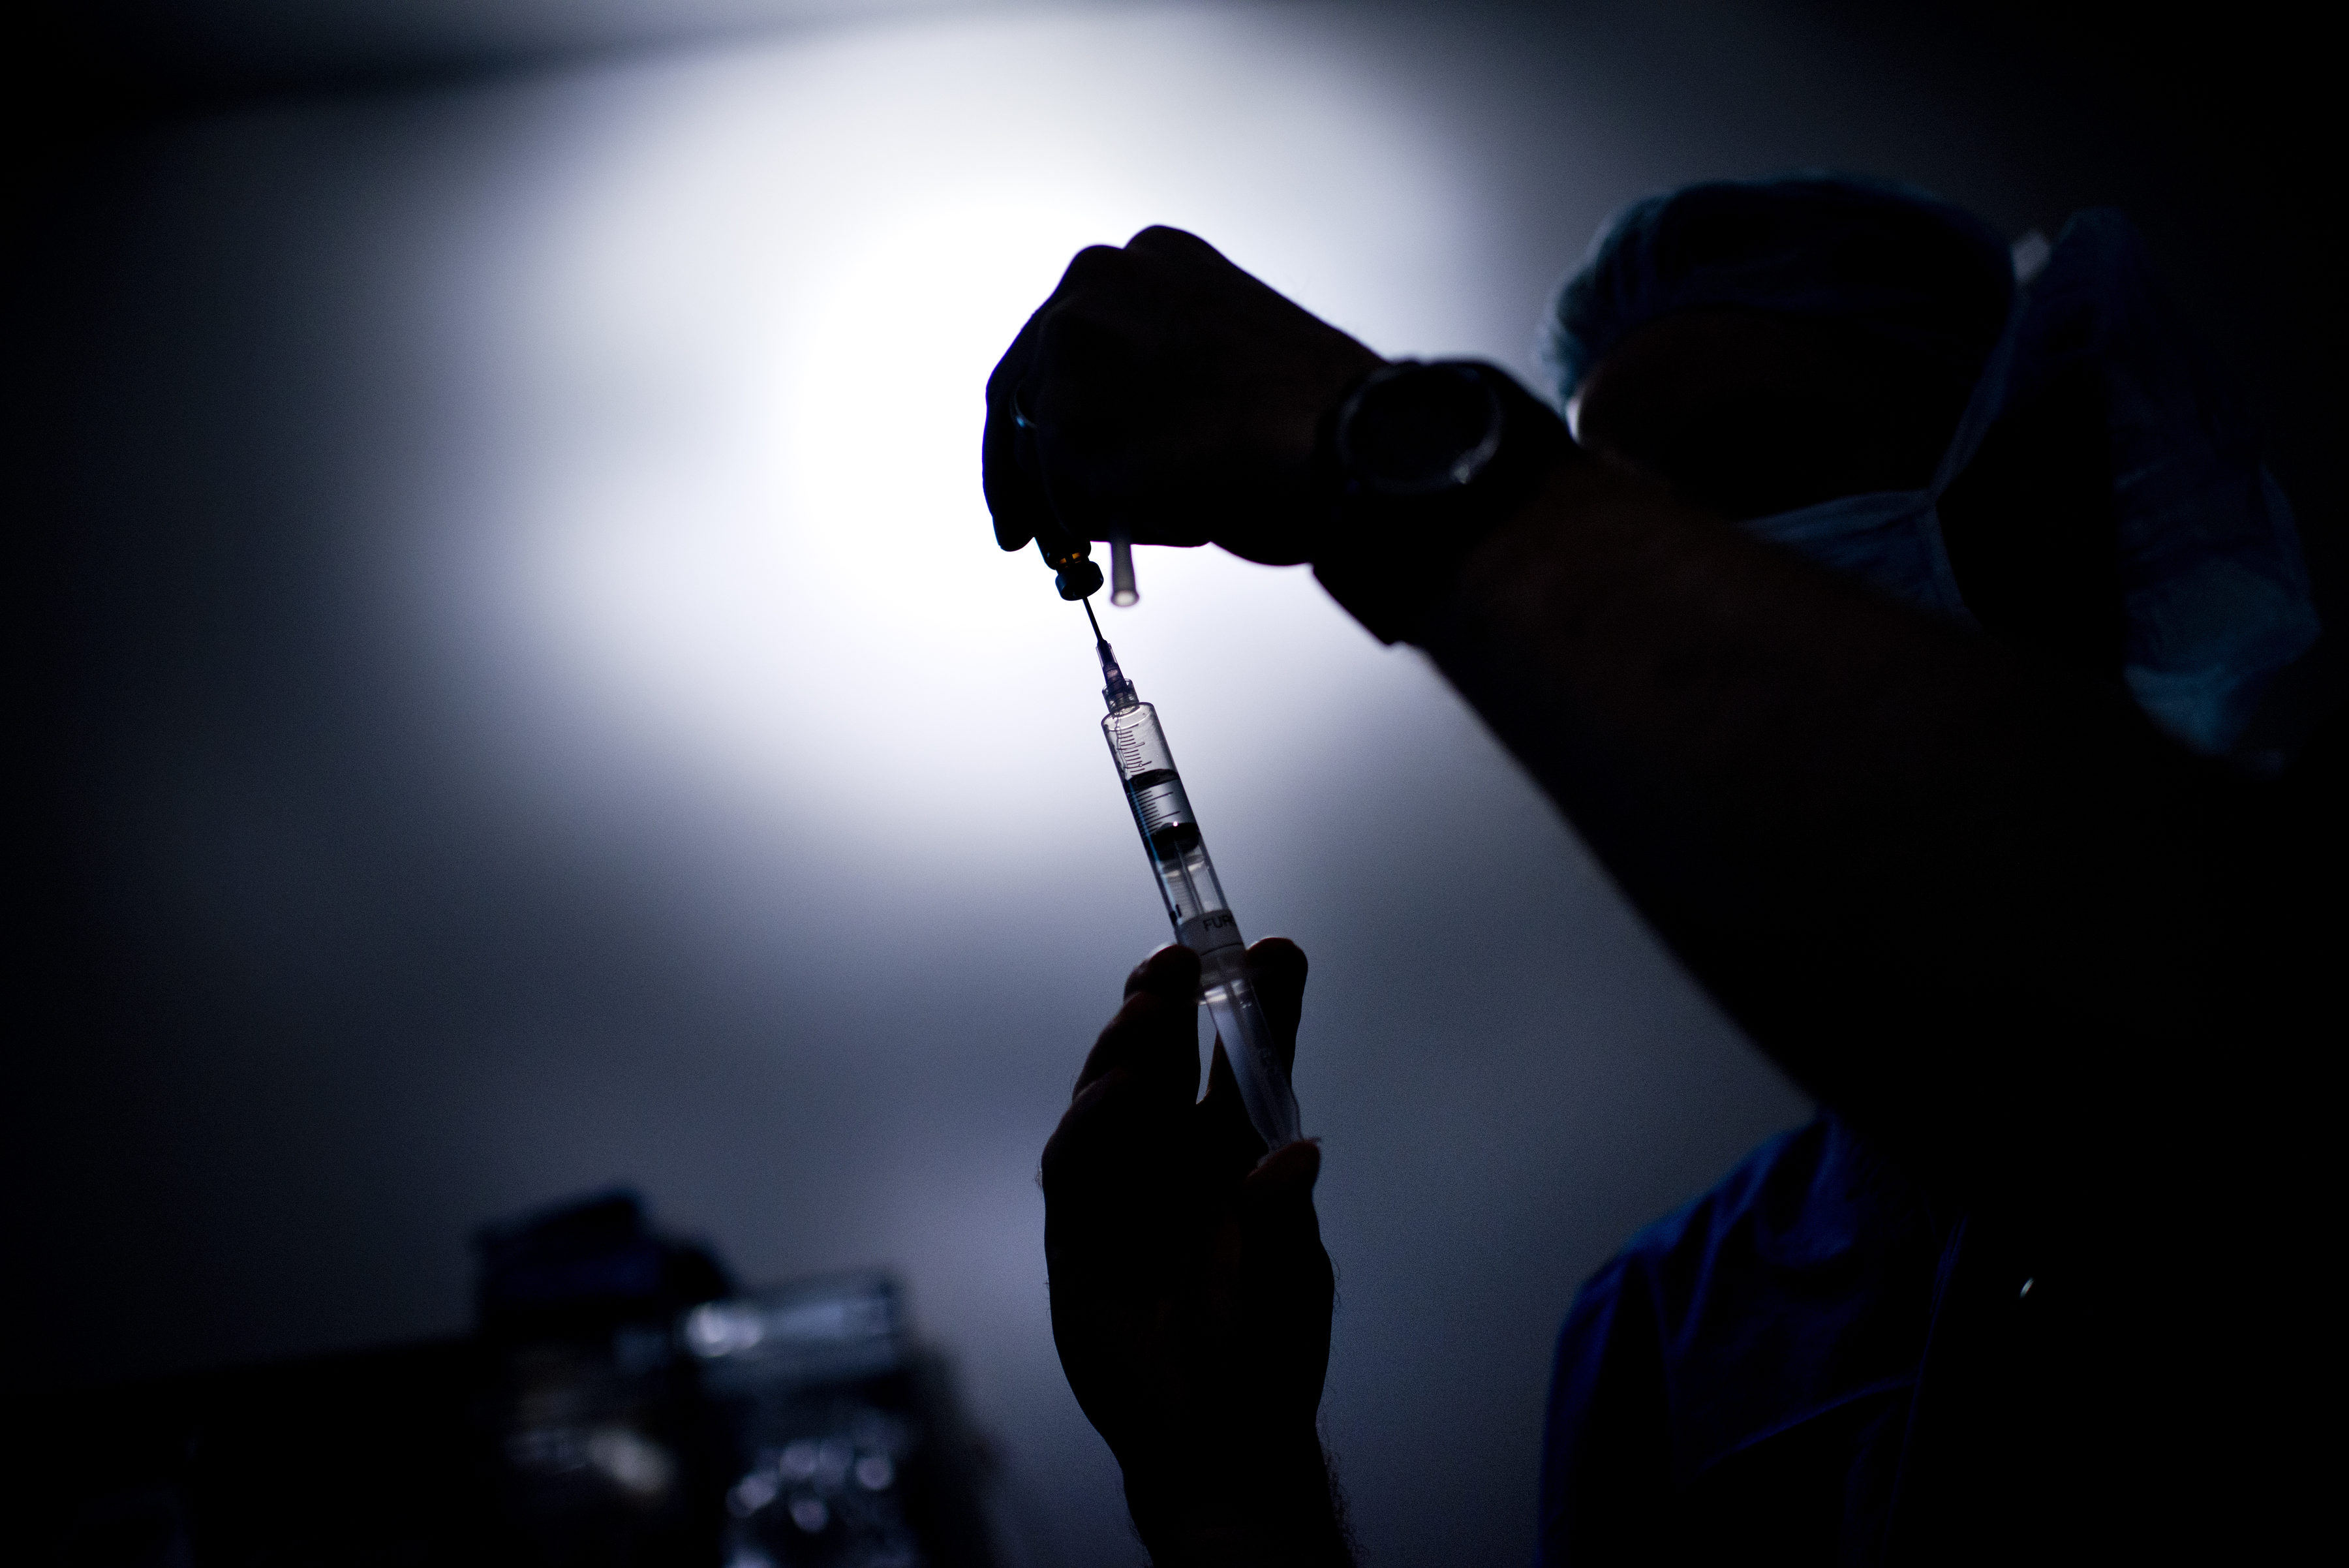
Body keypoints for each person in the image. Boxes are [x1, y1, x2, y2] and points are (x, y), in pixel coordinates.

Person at [985, 176, 2339, 1565]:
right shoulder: (1671, 1327)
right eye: (1635, 511)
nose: (1671, 582)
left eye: (1762, 472)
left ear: (2046, 502)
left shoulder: (2295, 1019)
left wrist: (1369, 447)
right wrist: (1227, 1476)